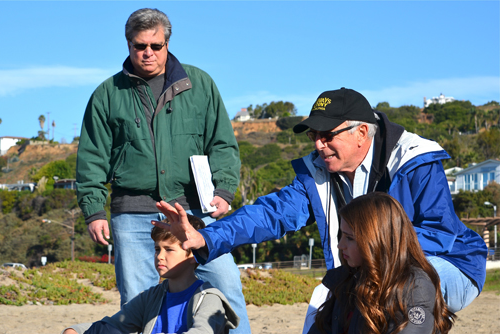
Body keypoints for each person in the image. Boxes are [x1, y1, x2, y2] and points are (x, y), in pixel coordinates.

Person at [154, 88, 487, 321]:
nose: (318, 143)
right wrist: (206, 238)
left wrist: (372, 248)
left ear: (361, 133)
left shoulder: (416, 159)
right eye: (313, 134)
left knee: (398, 286)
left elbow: (441, 234)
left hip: (449, 265)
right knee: (323, 304)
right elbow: (269, 214)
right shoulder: (318, 172)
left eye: (328, 134)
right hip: (366, 271)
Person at [75, 8, 250, 333]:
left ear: (167, 43)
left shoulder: (200, 84)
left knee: (226, 285)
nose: (147, 53)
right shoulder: (106, 95)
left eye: (155, 46)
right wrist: (93, 210)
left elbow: (223, 143)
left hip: (196, 210)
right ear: (128, 45)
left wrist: (225, 190)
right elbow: (91, 157)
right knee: (138, 304)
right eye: (140, 46)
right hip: (133, 213)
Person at [62, 215, 239, 334]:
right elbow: (113, 325)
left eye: (169, 249)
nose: (159, 256)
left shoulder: (208, 298)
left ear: (193, 255)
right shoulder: (151, 298)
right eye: (157, 249)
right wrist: (76, 331)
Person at [308, 192, 455, 334]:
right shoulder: (348, 279)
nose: (340, 245)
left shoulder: (414, 288)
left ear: (377, 240)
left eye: (350, 238)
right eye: (342, 235)